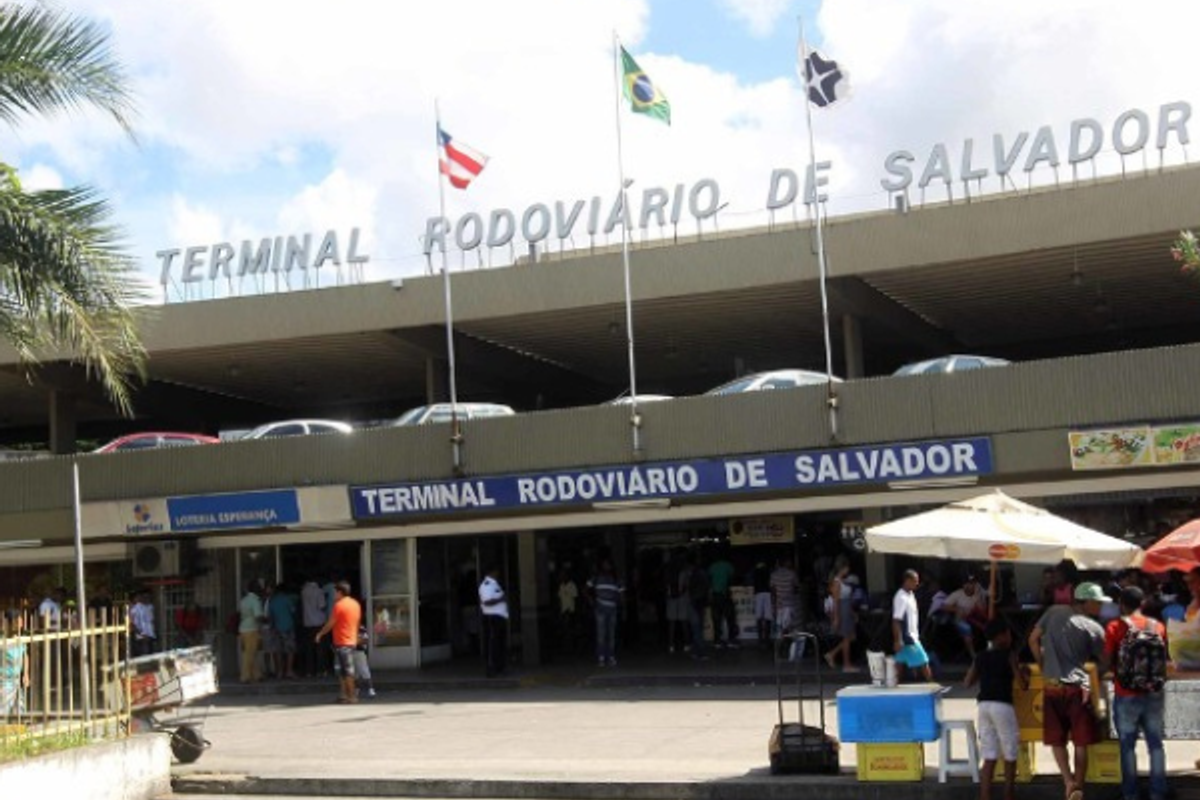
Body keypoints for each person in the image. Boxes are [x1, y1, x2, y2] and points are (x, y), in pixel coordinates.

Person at [1028, 581, 1109, 800]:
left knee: (1057, 740)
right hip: (1078, 689)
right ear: (1088, 602)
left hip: (1052, 686)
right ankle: (1078, 786)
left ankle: (1068, 782)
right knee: (1081, 742)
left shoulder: (1053, 611)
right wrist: (1098, 674)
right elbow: (1106, 660)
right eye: (1098, 602)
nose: (1101, 606)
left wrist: (1044, 665)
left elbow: (1033, 640)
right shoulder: (1094, 628)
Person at [1104, 585, 1169, 800]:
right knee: (1156, 744)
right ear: (1143, 604)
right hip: (1154, 692)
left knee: (1127, 745)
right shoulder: (1158, 626)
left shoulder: (1115, 626)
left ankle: (1130, 793)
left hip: (1126, 693)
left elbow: (1107, 661)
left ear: (1121, 604)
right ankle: (1158, 792)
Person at [964, 619, 1025, 800]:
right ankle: (1009, 794)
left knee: (989, 755)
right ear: (1002, 636)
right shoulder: (1009, 655)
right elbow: (1021, 684)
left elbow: (967, 682)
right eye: (1007, 633)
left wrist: (984, 673)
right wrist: (1024, 673)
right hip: (1002, 705)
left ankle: (985, 796)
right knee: (1010, 752)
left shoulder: (981, 656)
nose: (1009, 636)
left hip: (983, 706)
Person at [315, 581, 362, 704]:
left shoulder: (339, 605)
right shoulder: (355, 604)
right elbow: (356, 623)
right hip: (351, 639)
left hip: (343, 641)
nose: (334, 594)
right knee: (342, 670)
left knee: (347, 670)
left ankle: (351, 696)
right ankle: (344, 695)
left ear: (340, 592)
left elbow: (331, 623)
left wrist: (320, 633)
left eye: (335, 592)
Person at [892, 569, 932, 682]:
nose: (917, 584)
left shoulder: (911, 595)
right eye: (915, 581)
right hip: (908, 637)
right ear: (907, 581)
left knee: (899, 664)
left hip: (912, 634)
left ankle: (893, 686)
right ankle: (932, 685)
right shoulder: (901, 597)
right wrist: (898, 640)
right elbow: (896, 620)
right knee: (924, 661)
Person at [942, 575, 989, 660]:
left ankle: (989, 652)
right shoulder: (957, 594)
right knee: (966, 628)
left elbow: (982, 610)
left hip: (975, 619)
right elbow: (944, 606)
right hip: (961, 620)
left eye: (971, 584)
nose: (969, 586)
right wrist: (957, 609)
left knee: (989, 627)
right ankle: (973, 655)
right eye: (966, 584)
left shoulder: (978, 594)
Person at [824, 556, 858, 672]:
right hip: (842, 609)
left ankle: (832, 654)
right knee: (847, 637)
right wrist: (836, 617)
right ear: (843, 568)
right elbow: (836, 601)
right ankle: (846, 664)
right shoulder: (837, 582)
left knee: (850, 637)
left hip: (847, 608)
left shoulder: (841, 581)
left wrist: (852, 612)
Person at [588, 559, 624, 667]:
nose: (606, 567)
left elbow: (622, 593)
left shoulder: (616, 579)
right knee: (601, 634)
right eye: (604, 565)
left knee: (611, 634)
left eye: (608, 565)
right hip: (600, 609)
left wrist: (621, 603)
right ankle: (601, 657)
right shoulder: (596, 577)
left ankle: (611, 656)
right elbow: (586, 589)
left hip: (612, 609)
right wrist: (590, 599)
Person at [478, 565, 509, 678]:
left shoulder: (495, 584)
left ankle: (499, 667)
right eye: (496, 572)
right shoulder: (487, 585)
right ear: (492, 572)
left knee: (499, 644)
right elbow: (486, 602)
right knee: (492, 645)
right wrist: (501, 599)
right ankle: (491, 668)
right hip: (492, 618)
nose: (498, 574)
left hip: (499, 618)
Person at [707, 549, 739, 649]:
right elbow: (732, 578)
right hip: (725, 594)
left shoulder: (712, 566)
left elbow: (709, 580)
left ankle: (717, 641)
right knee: (730, 618)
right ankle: (731, 640)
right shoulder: (728, 565)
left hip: (715, 595)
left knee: (716, 619)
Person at [268, 582, 299, 679]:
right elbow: (293, 611)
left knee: (278, 651)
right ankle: (289, 671)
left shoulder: (272, 601)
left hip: (276, 628)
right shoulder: (288, 599)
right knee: (290, 650)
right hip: (288, 627)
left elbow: (270, 616)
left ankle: (279, 672)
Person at [1, 609, 29, 717]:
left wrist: (26, 674)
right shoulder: (2, 641)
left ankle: (19, 731)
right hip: (4, 682)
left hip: (17, 681)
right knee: (3, 710)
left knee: (19, 711)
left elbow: (25, 655)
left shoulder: (20, 640)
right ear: (8, 623)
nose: (19, 625)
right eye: (16, 622)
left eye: (20, 623)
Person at [237, 581, 266, 683]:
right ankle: (245, 677)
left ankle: (257, 675)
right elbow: (258, 616)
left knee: (251, 652)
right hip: (252, 629)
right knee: (250, 654)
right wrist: (266, 620)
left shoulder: (244, 600)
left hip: (243, 629)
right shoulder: (255, 601)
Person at [685, 553, 711, 661]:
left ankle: (698, 652)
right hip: (699, 603)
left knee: (696, 629)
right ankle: (699, 652)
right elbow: (707, 589)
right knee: (698, 629)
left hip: (695, 603)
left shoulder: (694, 575)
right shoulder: (702, 574)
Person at [299, 576, 327, 677]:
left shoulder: (303, 591)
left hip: (307, 623)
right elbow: (322, 606)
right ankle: (320, 670)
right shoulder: (319, 591)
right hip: (319, 623)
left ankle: (309, 671)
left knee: (309, 648)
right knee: (319, 647)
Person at [770, 556, 800, 635]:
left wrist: (773, 605)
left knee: (780, 627)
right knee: (788, 627)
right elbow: (796, 588)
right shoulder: (792, 574)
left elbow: (773, 591)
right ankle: (786, 643)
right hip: (789, 604)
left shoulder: (774, 574)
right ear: (785, 563)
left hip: (778, 605)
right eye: (789, 561)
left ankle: (781, 644)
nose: (790, 563)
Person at [352, 617, 376, 698]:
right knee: (355, 673)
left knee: (364, 670)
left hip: (359, 651)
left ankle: (371, 689)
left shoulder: (361, 628)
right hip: (351, 651)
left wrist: (355, 640)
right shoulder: (348, 628)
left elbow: (365, 640)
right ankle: (356, 690)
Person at [557, 570, 579, 654]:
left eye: (563, 575)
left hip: (570, 610)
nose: (561, 577)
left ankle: (571, 648)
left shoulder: (572, 585)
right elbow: (559, 598)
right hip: (563, 610)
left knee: (569, 630)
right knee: (564, 630)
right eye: (561, 575)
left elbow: (576, 598)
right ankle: (566, 648)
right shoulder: (561, 585)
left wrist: (574, 611)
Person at [752, 560, 773, 649]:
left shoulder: (755, 571)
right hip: (767, 593)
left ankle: (760, 640)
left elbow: (750, 581)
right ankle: (767, 640)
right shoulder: (768, 570)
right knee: (768, 617)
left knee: (759, 617)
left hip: (758, 593)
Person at [130, 590, 157, 657]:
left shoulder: (150, 607)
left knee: (149, 655)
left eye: (148, 597)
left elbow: (152, 621)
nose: (147, 598)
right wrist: (141, 633)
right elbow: (132, 622)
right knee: (143, 656)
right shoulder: (136, 608)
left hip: (150, 635)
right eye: (145, 597)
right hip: (141, 636)